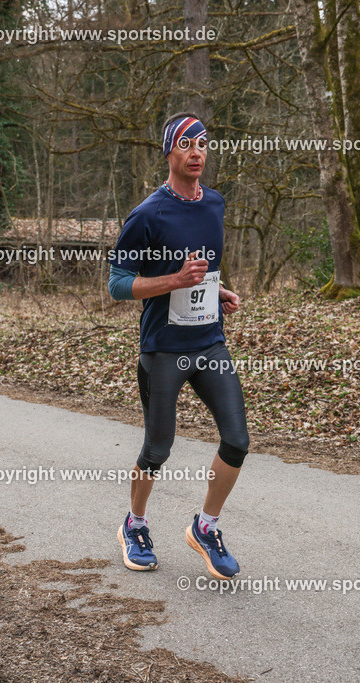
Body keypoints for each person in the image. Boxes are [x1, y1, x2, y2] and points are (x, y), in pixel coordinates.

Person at [108, 113, 249, 580]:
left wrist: (217, 290)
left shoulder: (214, 204)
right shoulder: (148, 214)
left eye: (203, 143)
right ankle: (135, 524)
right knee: (158, 448)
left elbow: (203, 273)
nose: (197, 152)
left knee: (237, 440)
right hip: (163, 349)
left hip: (209, 343)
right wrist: (174, 280)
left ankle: (205, 528)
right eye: (186, 143)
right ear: (169, 152)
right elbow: (118, 285)